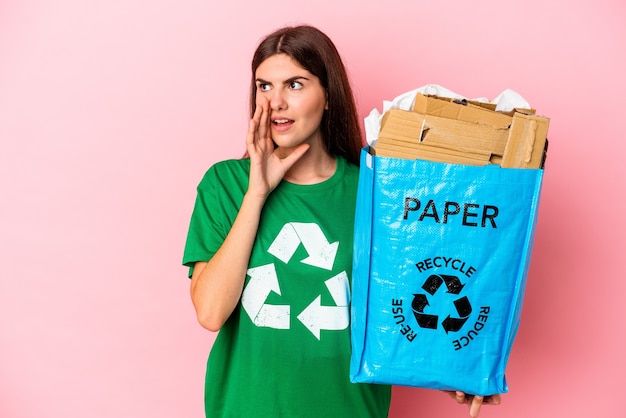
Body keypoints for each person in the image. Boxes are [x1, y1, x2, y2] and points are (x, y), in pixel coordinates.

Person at [182, 24, 500, 417]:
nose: (275, 102)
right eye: (264, 86)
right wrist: (257, 193)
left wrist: (457, 370)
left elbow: (410, 301)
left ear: (328, 94)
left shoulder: (377, 193)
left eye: (295, 85)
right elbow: (211, 313)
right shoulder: (224, 185)